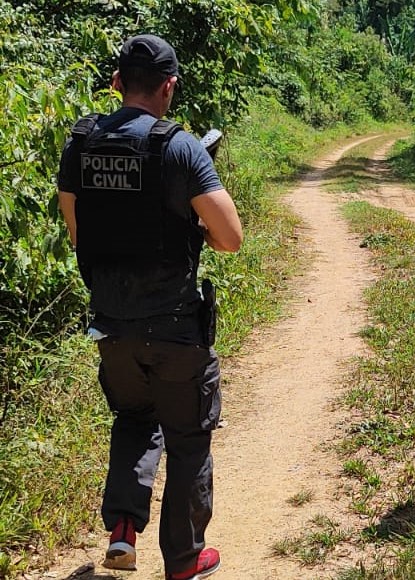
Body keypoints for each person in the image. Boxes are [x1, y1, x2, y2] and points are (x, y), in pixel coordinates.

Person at [56, 34, 242, 580]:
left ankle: (122, 531)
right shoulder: (179, 147)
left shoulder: (80, 144)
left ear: (117, 83)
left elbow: (78, 233)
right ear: (169, 86)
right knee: (187, 439)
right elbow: (230, 237)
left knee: (134, 419)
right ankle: (183, 560)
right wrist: (190, 227)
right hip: (176, 330)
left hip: (112, 326)